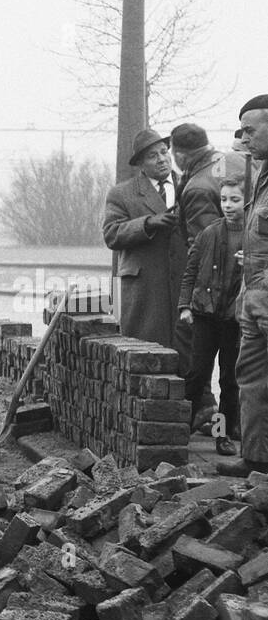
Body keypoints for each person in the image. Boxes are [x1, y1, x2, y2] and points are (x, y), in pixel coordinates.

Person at [179, 178, 244, 457]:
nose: (228, 206)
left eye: (235, 200)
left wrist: (251, 262)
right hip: (205, 315)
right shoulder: (209, 233)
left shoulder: (256, 237)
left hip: (235, 320)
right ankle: (181, 428)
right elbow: (190, 271)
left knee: (229, 380)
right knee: (196, 374)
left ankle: (222, 436)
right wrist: (185, 306)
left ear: (247, 201)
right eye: (224, 199)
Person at [103, 128, 184, 350]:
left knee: (189, 362)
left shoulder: (188, 186)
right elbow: (111, 234)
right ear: (140, 163)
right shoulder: (122, 194)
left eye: (164, 151)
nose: (161, 159)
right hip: (144, 292)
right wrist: (146, 224)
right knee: (144, 355)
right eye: (152, 156)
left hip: (183, 288)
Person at [234, 95, 268, 472]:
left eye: (250, 130)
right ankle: (256, 461)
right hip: (254, 302)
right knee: (253, 381)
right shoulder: (260, 177)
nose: (244, 138)